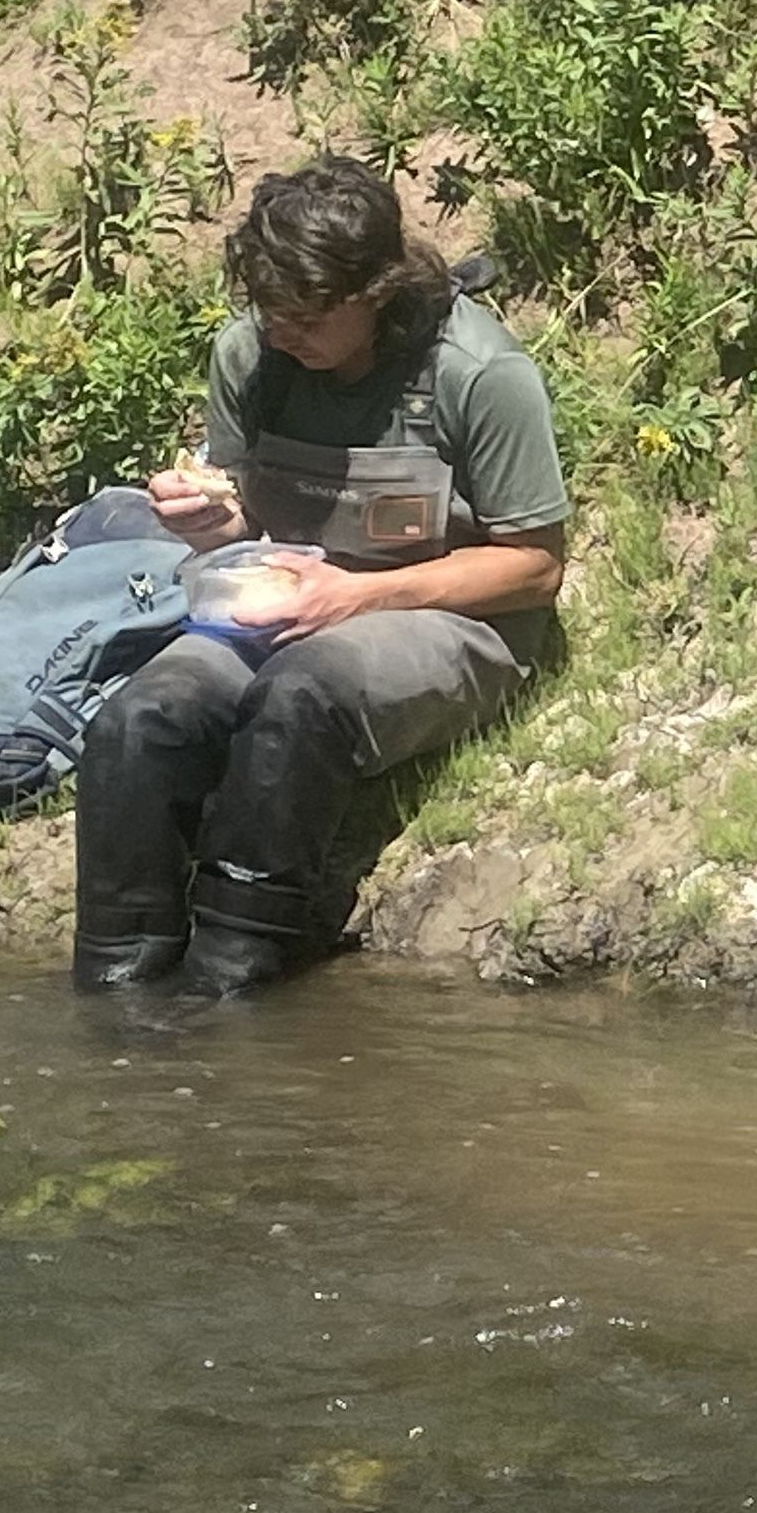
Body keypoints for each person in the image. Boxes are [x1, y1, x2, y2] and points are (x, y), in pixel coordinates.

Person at [70, 158, 570, 998]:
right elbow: (247, 519)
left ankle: (233, 976)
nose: (277, 333)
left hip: (452, 621)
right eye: (265, 310)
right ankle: (118, 987)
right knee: (136, 723)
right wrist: (207, 522)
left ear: (373, 291)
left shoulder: (480, 374)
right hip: (281, 603)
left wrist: (359, 595)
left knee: (300, 697)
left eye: (301, 316)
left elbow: (535, 567)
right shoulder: (251, 356)